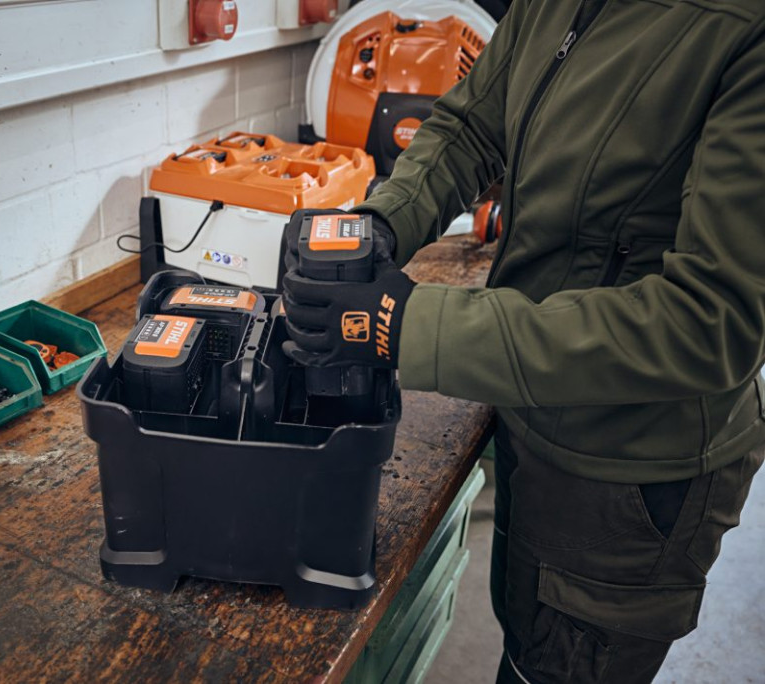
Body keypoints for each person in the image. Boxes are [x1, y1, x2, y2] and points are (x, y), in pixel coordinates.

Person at [281, 1, 765, 682]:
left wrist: (408, 324)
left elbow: (709, 322)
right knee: (525, 640)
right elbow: (474, 123)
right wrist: (384, 223)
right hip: (531, 404)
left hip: (631, 468)